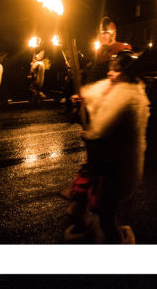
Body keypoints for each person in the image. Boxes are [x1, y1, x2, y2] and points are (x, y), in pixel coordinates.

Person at [65, 50, 151, 244]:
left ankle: (119, 246)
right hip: (97, 161)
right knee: (75, 208)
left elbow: (102, 129)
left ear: (128, 73)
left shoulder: (130, 99)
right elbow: (90, 112)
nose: (110, 74)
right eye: (110, 69)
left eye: (116, 70)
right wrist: (81, 103)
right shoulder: (105, 88)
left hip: (114, 168)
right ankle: (85, 231)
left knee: (106, 220)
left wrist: (90, 133)